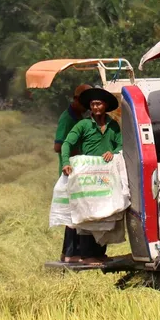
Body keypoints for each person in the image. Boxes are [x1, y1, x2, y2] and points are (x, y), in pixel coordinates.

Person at [60, 87, 123, 264]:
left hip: (106, 178)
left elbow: (121, 145)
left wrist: (113, 152)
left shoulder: (113, 125)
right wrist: (66, 162)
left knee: (104, 212)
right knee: (88, 213)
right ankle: (87, 255)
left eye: (99, 103)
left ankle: (99, 251)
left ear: (105, 106)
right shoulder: (83, 125)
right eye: (93, 104)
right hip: (87, 178)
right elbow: (66, 144)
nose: (95, 107)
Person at [55, 84, 90, 263]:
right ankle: (71, 254)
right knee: (73, 215)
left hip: (80, 170)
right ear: (75, 100)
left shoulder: (79, 117)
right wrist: (78, 150)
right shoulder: (67, 118)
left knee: (77, 212)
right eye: (84, 102)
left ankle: (68, 253)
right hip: (70, 170)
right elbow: (58, 146)